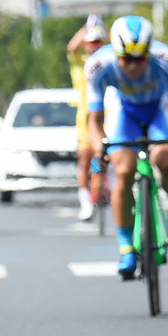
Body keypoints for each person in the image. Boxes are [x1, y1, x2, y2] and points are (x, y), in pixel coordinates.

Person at [86, 16, 168, 279]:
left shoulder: (165, 59)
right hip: (126, 113)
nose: (133, 66)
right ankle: (126, 249)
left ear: (149, 52)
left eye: (140, 59)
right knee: (123, 170)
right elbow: (95, 121)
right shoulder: (98, 65)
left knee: (165, 157)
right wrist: (100, 150)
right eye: (127, 59)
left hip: (158, 110)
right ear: (115, 52)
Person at [67, 14, 108, 221]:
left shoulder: (109, 60)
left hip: (109, 116)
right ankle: (85, 203)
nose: (95, 46)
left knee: (117, 157)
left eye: (98, 42)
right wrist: (87, 27)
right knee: (84, 159)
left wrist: (102, 27)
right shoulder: (79, 63)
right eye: (91, 43)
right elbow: (71, 48)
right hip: (86, 118)